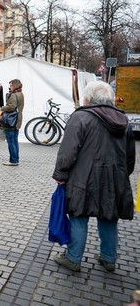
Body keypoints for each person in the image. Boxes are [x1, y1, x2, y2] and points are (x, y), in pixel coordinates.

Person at [52, 81, 135, 273]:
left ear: (88, 98)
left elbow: (67, 151)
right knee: (109, 217)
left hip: (83, 178)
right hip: (114, 179)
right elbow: (129, 157)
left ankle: (73, 259)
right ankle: (109, 259)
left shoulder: (81, 117)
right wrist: (122, 176)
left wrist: (60, 174)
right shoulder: (123, 120)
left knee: (78, 217)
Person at [0, 79, 24, 166]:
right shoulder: (21, 94)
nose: (10, 86)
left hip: (11, 120)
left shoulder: (14, 95)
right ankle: (16, 159)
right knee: (14, 141)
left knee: (11, 141)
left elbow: (11, 107)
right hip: (17, 119)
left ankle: (13, 160)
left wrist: (3, 108)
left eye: (11, 85)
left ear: (15, 85)